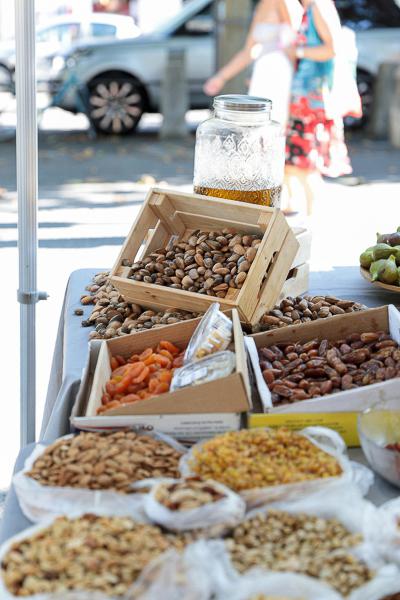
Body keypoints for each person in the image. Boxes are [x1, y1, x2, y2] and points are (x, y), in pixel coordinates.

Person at [283, 0, 361, 215]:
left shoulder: (318, 6)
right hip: (305, 101)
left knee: (307, 168)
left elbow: (331, 48)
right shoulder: (311, 7)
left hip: (313, 103)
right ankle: (301, 215)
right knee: (292, 164)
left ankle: (312, 222)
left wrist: (296, 51)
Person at [204, 0, 302, 126]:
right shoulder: (263, 4)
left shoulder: (284, 3)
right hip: (261, 73)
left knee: (272, 125)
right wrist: (221, 77)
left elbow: (292, 45)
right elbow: (248, 52)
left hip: (278, 73)